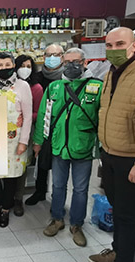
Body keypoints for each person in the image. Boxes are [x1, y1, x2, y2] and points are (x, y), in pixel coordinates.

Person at [88, 27, 135, 262]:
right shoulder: (111, 71)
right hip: (110, 154)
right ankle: (118, 249)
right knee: (117, 209)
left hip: (132, 160)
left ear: (134, 46)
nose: (113, 49)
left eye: (120, 44)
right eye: (108, 44)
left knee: (127, 215)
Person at [33, 48, 102, 247]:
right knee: (57, 185)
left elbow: (102, 118)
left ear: (85, 63)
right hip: (58, 145)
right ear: (63, 63)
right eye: (68, 61)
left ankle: (77, 225)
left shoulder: (96, 87)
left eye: (76, 62)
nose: (72, 65)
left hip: (83, 146)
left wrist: (103, 146)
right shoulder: (54, 87)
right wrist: (38, 141)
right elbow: (44, 119)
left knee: (80, 189)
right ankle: (57, 219)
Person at [0, 52, 32, 227]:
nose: (4, 68)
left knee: (11, 176)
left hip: (15, 139)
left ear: (13, 65)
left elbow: (27, 117)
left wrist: (23, 142)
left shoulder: (23, 86)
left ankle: (6, 209)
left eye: (7, 65)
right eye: (0, 65)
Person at [26, 44, 65, 206]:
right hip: (42, 124)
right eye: (49, 55)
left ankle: (58, 198)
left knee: (60, 165)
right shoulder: (38, 77)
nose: (52, 58)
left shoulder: (66, 77)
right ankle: (40, 191)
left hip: (62, 126)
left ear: (62, 57)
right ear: (44, 57)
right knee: (41, 160)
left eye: (56, 54)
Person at [14, 54, 44, 216]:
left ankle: (18, 198)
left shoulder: (36, 88)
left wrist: (24, 116)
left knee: (21, 165)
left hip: (27, 131)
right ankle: (6, 197)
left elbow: (39, 113)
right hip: (9, 131)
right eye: (22, 65)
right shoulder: (9, 85)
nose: (25, 69)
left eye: (29, 66)